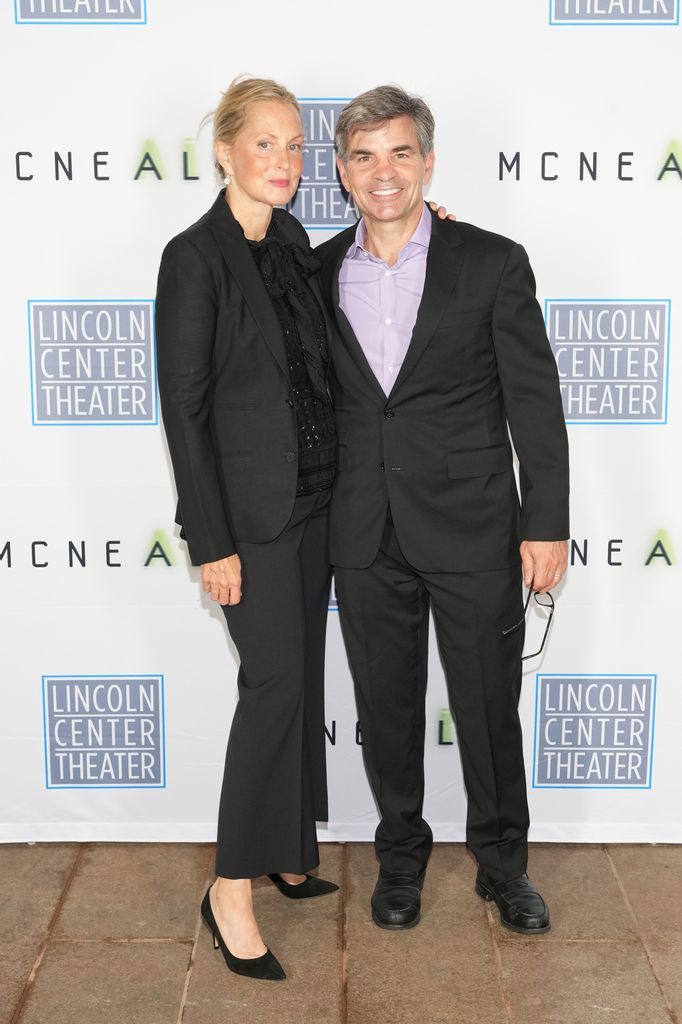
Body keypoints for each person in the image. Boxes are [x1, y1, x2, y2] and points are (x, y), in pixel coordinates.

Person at [316, 85, 570, 935]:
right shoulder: (313, 274)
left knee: (488, 710)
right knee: (387, 712)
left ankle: (503, 868)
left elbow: (534, 402)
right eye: (362, 156)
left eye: (399, 153)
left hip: (472, 526)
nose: (382, 173)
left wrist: (547, 522)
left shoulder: (492, 261)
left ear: (427, 161)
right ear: (342, 171)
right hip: (363, 529)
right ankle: (400, 860)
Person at [155, 77, 340, 983]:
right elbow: (183, 410)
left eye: (297, 146)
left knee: (299, 678)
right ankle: (230, 886)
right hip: (250, 521)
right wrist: (210, 540)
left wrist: (417, 233)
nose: (286, 162)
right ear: (224, 150)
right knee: (273, 686)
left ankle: (287, 846)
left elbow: (320, 303)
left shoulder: (293, 239)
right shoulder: (195, 258)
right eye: (265, 143)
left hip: (313, 504)